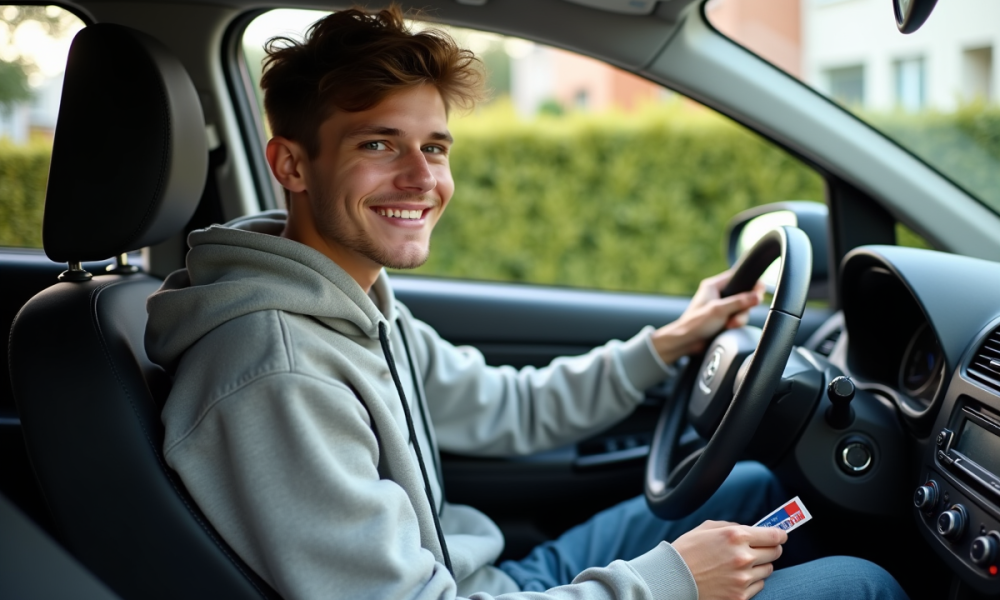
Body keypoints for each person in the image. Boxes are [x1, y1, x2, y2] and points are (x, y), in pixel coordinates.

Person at [144, 6, 908, 600]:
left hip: (493, 581)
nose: (421, 179)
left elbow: (508, 406)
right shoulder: (276, 371)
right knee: (861, 586)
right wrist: (673, 581)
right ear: (292, 165)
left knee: (748, 488)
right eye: (378, 144)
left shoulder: (351, 300)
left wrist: (669, 343)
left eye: (435, 147)